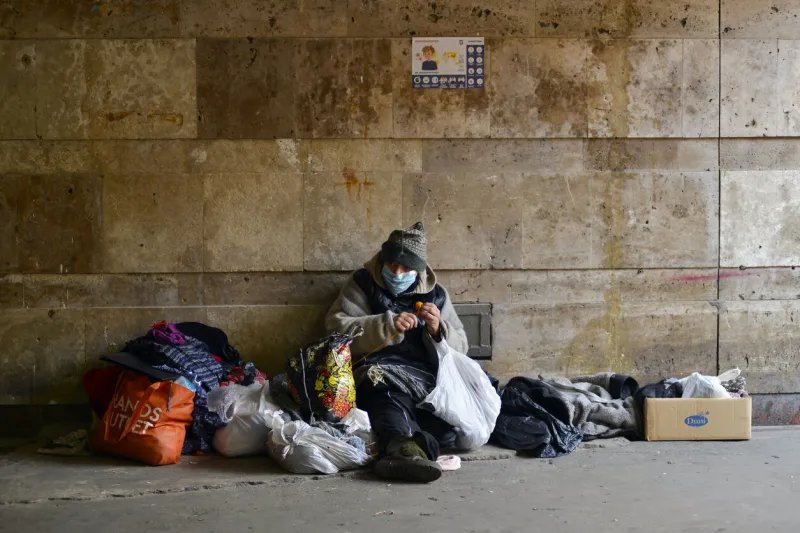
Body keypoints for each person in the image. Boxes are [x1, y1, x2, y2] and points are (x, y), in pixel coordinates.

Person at [325, 222, 469, 483]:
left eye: (405, 268)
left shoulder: (436, 294)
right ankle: (401, 449)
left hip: (422, 376)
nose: (398, 273)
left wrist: (439, 329)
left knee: (443, 419)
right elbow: (336, 328)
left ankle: (413, 448)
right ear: (383, 260)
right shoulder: (363, 283)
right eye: (392, 265)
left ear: (419, 270)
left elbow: (462, 346)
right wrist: (386, 325)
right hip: (378, 372)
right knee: (388, 397)